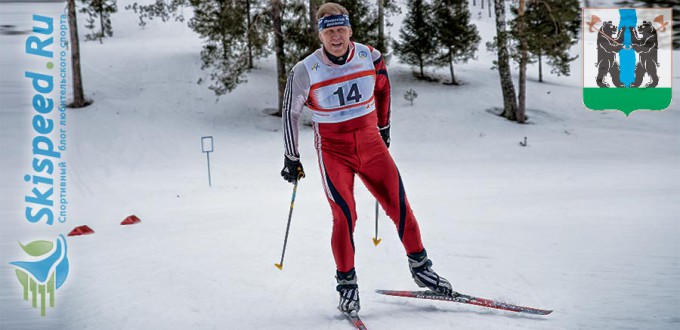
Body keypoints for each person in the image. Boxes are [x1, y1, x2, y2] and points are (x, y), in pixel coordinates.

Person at [280, 2, 452, 314]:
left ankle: (420, 266)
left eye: (340, 29)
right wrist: (292, 157)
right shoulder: (305, 70)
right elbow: (290, 112)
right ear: (320, 35)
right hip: (334, 151)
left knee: (400, 206)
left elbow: (384, 89)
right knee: (345, 216)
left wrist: (384, 127)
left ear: (350, 30)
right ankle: (347, 285)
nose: (336, 37)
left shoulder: (369, 56)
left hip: (371, 144)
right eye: (329, 31)